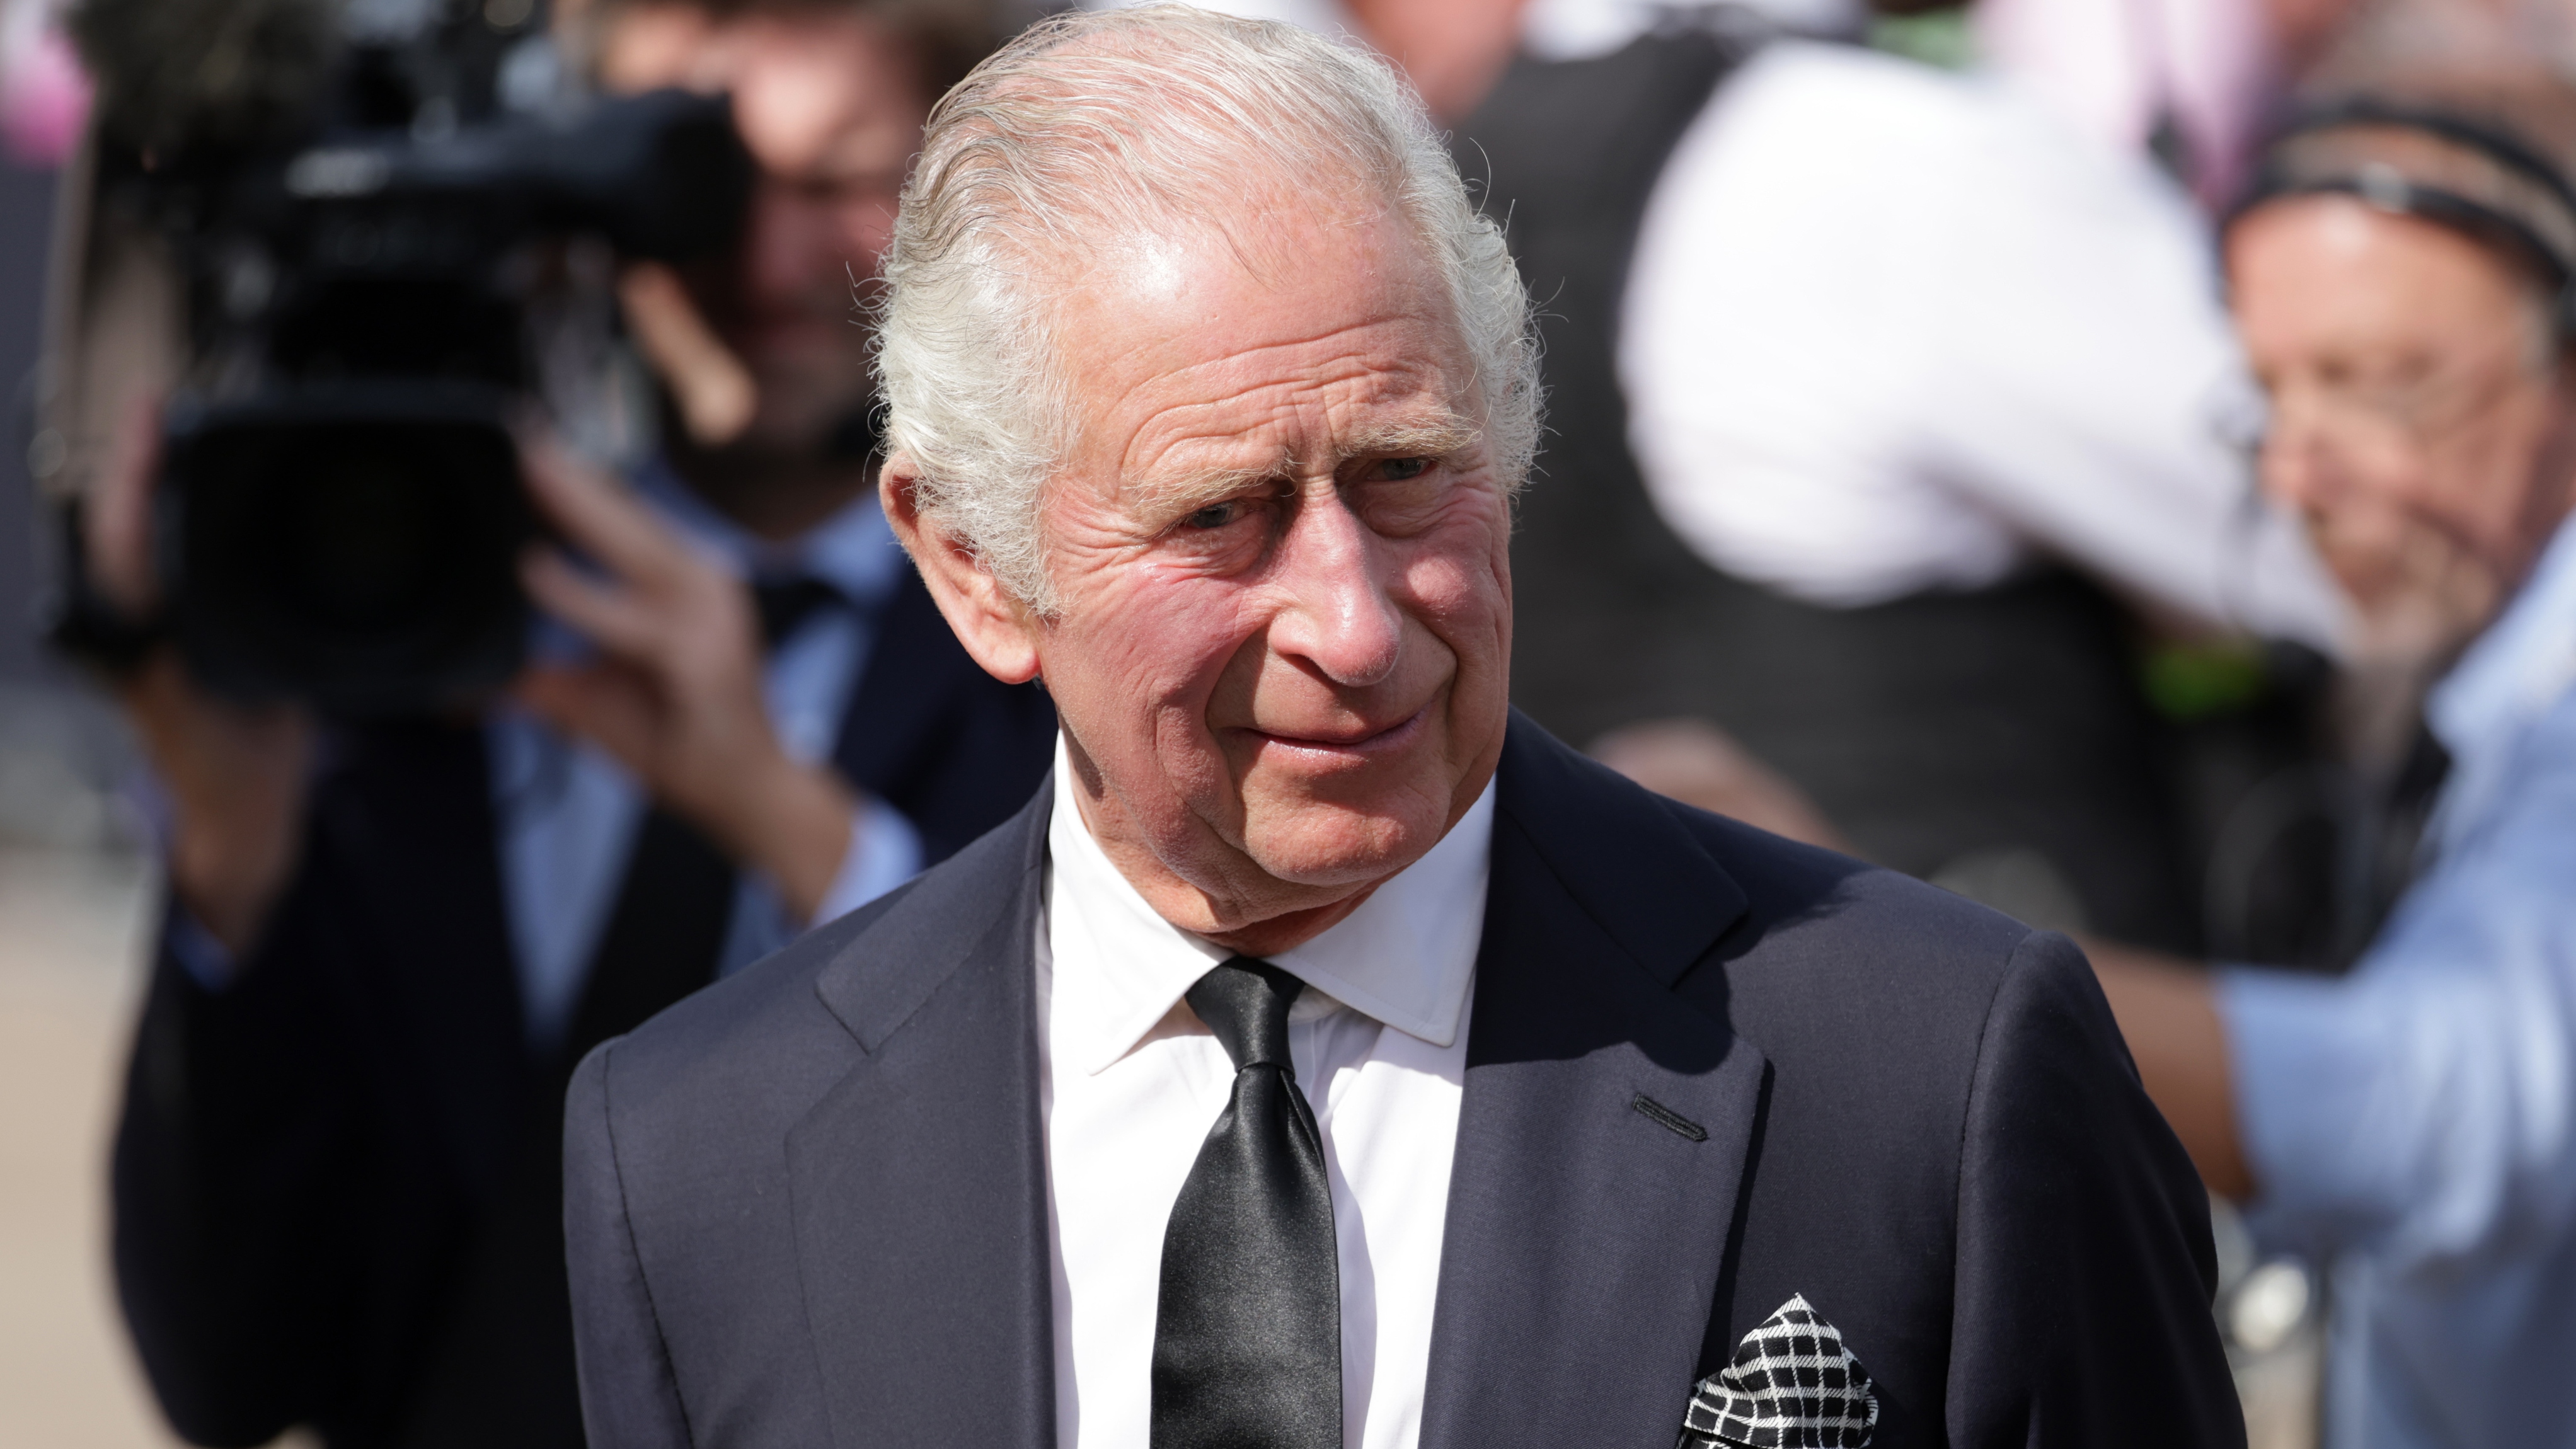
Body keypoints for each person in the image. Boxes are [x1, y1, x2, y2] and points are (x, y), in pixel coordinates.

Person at [561, 10, 2241, 1448]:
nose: (1357, 625)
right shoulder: (702, 1156)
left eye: (1406, 471)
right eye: (1220, 513)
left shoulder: (1928, 1067)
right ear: (974, 567)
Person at [96, 1, 1055, 1445]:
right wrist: (233, 854)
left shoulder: (1063, 658)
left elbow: (1083, 1217)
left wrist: (789, 822)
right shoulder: (400, 653)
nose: (766, 259)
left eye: (839, 181)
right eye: (692, 177)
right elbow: (234, 1375)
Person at [1320, 0, 2344, 948]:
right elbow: (2345, 555)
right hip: (1987, 1090)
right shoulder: (1889, 163)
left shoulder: (1411, 176)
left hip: (1600, 1086)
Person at [2091, 91, 2576, 1447]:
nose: (2302, 470)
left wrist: (1917, 973)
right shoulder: (2467, 672)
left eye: (2376, 384)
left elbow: (2430, 1114)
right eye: (2269, 395)